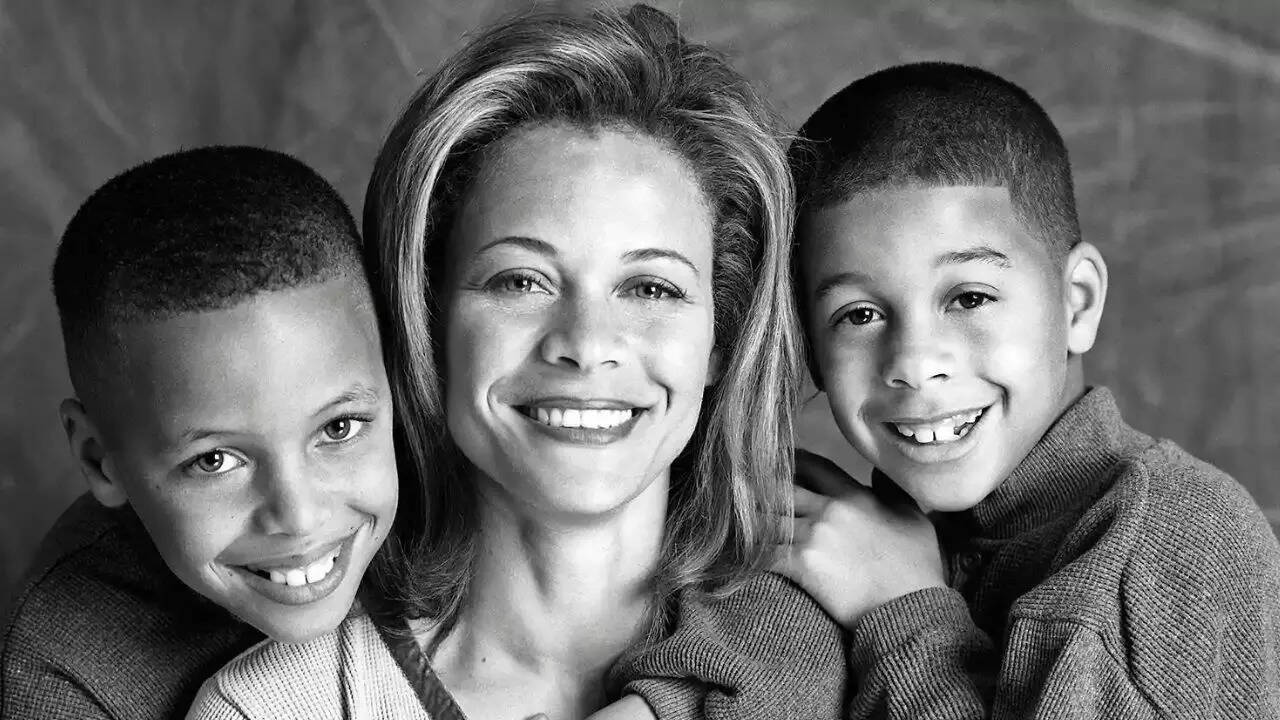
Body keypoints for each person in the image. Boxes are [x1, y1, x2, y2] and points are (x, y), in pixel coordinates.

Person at [188, 5, 846, 720]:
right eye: (520, 281)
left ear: (721, 338)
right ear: (428, 316)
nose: (587, 342)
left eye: (651, 287)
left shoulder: (845, 638)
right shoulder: (270, 708)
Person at [774, 61, 1280, 717]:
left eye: (970, 297)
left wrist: (903, 613)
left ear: (1077, 302)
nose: (916, 362)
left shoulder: (1177, 538)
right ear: (811, 349)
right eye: (859, 315)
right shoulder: (844, 542)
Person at [1, 146, 407, 720]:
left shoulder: (463, 491)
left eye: (338, 429)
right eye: (214, 461)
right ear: (99, 459)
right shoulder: (67, 674)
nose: (298, 516)